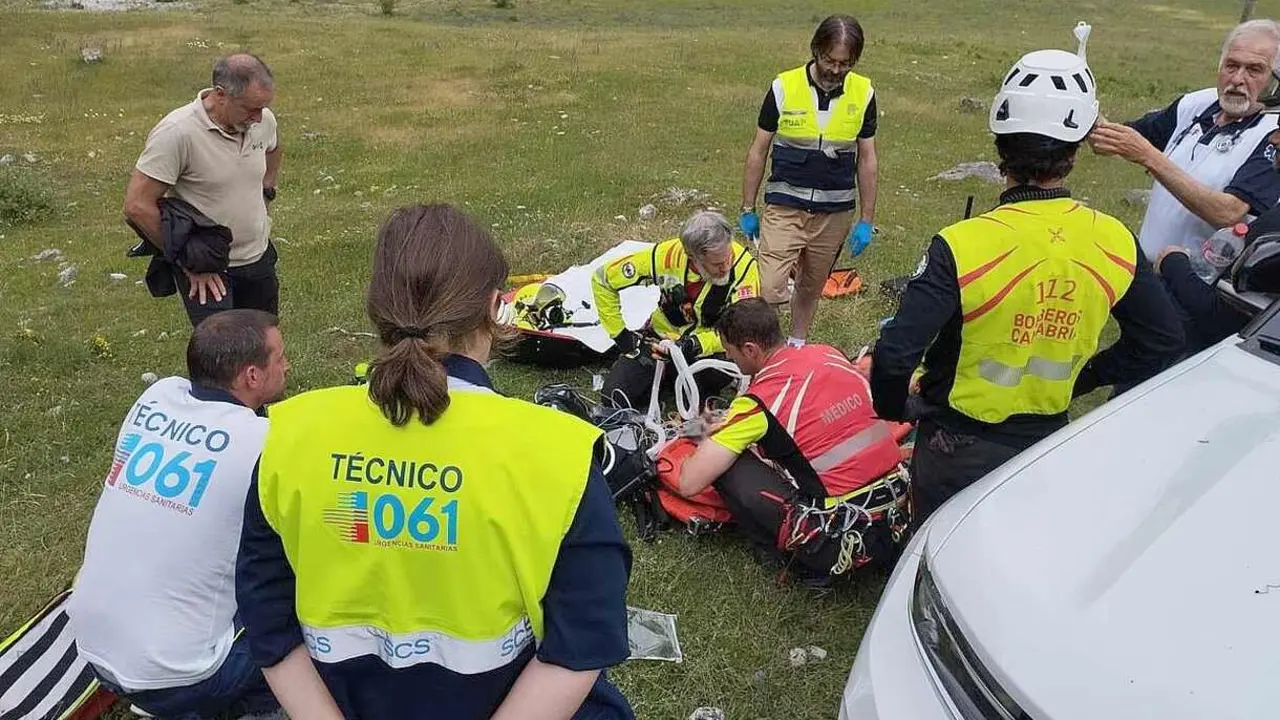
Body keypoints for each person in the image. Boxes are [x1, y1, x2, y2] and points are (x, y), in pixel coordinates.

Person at [235, 204, 634, 720]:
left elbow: (267, 621)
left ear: (377, 309)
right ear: (495, 307)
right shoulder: (558, 452)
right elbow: (581, 645)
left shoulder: (290, 435)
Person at [870, 39, 1185, 528]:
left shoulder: (962, 244)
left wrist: (897, 407)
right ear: (1076, 151)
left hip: (956, 440)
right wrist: (1081, 379)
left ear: (1001, 147)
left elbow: (895, 354)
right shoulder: (1114, 240)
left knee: (930, 548)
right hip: (1044, 439)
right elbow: (1163, 339)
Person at [67, 309, 289, 719]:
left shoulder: (158, 395)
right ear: (252, 376)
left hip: (90, 650)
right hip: (183, 675)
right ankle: (252, 707)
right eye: (279, 358)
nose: (287, 366)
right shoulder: (266, 444)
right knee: (292, 596)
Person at [676, 299, 906, 583]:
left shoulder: (758, 403)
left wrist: (699, 437)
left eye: (730, 352)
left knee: (729, 465)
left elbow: (689, 483)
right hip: (898, 514)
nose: (728, 357)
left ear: (750, 349)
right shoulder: (828, 354)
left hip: (837, 543)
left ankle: (780, 555)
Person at [739, 14, 879, 346]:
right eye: (829, 60)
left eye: (844, 63)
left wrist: (866, 220)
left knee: (811, 285)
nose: (835, 69)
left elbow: (868, 159)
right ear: (815, 50)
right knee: (770, 287)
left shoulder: (864, 93)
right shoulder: (783, 87)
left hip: (834, 213)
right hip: (785, 205)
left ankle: (797, 345)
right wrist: (747, 207)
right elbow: (758, 150)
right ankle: (766, 353)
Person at [1089, 19, 1280, 263]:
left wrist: (1150, 157)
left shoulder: (1274, 133)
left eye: (1254, 70)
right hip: (1150, 270)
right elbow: (1115, 140)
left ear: (1274, 79)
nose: (1237, 79)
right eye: (1231, 66)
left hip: (1205, 286)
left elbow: (1228, 212)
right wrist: (1083, 111)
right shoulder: (1196, 104)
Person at [123, 52, 283, 328]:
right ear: (221, 95)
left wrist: (267, 188)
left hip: (258, 258)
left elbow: (273, 147)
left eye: (263, 107)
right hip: (210, 274)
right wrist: (189, 262)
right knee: (221, 361)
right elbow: (137, 206)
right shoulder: (177, 132)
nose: (259, 117)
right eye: (250, 109)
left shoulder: (262, 121)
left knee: (263, 347)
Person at [592, 210, 760, 410]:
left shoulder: (744, 267)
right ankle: (667, 377)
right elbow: (603, 279)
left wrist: (693, 345)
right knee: (614, 396)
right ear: (692, 257)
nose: (726, 266)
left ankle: (692, 386)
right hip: (659, 341)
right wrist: (621, 336)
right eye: (716, 264)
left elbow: (744, 329)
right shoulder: (667, 255)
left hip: (708, 349)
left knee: (711, 376)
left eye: (728, 257)